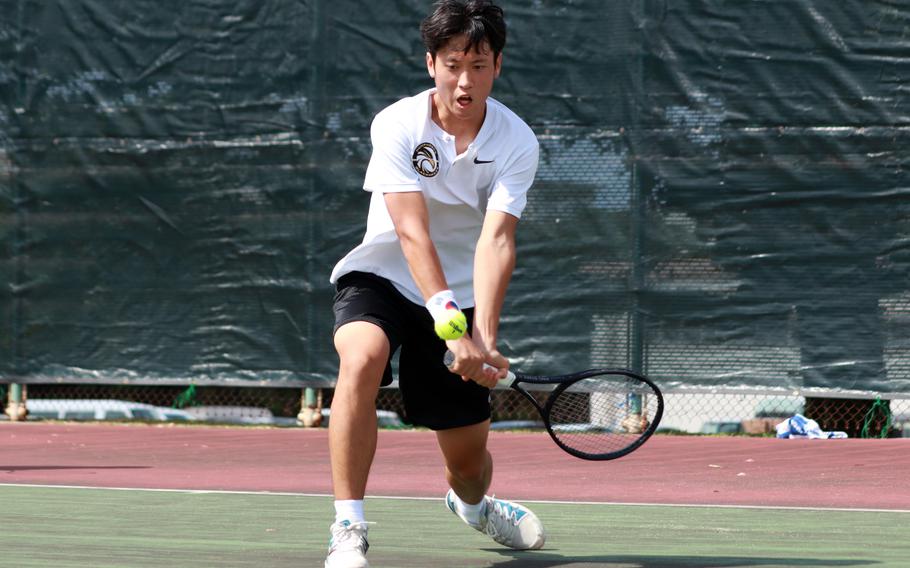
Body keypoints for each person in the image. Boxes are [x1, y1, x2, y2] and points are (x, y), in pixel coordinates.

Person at [325, 1, 544, 566]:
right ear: (431, 64)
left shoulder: (517, 141)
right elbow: (411, 233)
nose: (464, 80)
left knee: (468, 469)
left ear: (499, 64)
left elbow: (497, 241)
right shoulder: (397, 124)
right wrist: (452, 327)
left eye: (478, 64)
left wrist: (485, 339)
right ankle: (348, 526)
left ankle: (472, 507)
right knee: (361, 357)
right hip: (382, 277)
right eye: (452, 64)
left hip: (463, 296)